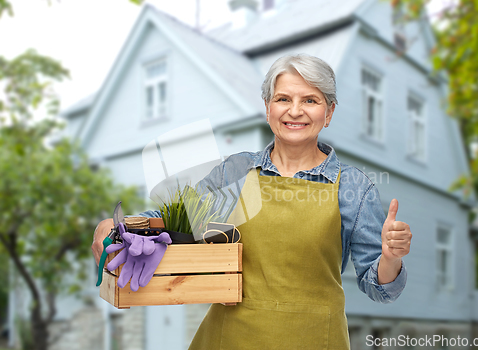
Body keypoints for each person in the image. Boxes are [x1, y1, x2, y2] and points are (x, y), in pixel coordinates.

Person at [92, 54, 412, 349]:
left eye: (310, 100)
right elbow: (175, 220)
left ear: (328, 112)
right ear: (267, 108)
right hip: (232, 337)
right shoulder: (237, 170)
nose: (295, 110)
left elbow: (380, 288)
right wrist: (114, 227)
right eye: (283, 98)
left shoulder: (354, 186)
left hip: (315, 340)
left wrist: (390, 258)